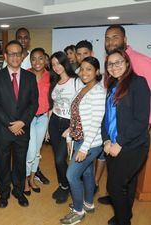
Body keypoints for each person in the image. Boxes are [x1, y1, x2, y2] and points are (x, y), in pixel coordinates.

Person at [99, 24, 151, 206]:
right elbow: (109, 113)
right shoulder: (112, 81)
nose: (110, 41)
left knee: (121, 181)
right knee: (122, 180)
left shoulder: (142, 64)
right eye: (107, 38)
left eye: (115, 37)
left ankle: (120, 206)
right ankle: (120, 203)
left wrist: (125, 139)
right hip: (116, 134)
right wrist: (107, 140)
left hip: (134, 134)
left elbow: (142, 113)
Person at [0, 40, 38, 208]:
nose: (15, 57)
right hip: (3, 129)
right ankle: (4, 192)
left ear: (22, 55)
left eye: (18, 53)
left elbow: (34, 104)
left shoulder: (30, 77)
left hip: (22, 130)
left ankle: (18, 191)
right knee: (3, 163)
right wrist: (12, 124)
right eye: (11, 53)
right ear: (5, 56)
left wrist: (22, 122)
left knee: (20, 162)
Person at [60, 56, 106, 224]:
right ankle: (88, 203)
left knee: (71, 175)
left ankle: (78, 212)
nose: (84, 72)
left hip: (90, 143)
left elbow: (95, 123)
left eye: (89, 69)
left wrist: (84, 148)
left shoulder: (98, 92)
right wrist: (71, 129)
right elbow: (78, 116)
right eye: (82, 68)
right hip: (80, 138)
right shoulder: (84, 88)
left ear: (97, 72)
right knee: (86, 173)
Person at [49, 51, 82, 204]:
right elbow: (53, 105)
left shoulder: (76, 81)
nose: (56, 67)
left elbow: (81, 106)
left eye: (58, 63)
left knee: (60, 158)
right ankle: (63, 184)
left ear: (65, 63)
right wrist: (48, 129)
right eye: (53, 64)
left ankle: (66, 185)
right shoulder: (54, 82)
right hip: (55, 122)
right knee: (58, 158)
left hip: (68, 123)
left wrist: (72, 127)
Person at [24, 48, 50, 196]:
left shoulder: (50, 76)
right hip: (29, 118)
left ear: (45, 59)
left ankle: (32, 179)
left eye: (40, 58)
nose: (37, 62)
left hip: (43, 118)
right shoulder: (25, 74)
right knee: (31, 151)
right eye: (33, 58)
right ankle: (25, 180)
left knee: (37, 152)